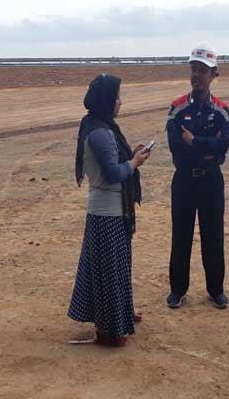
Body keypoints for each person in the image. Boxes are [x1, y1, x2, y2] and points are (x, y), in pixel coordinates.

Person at [69, 73, 150, 347]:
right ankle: (108, 330)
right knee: (109, 271)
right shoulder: (101, 132)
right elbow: (114, 173)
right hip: (107, 212)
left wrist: (131, 156)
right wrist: (135, 162)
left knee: (116, 268)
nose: (120, 103)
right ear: (106, 101)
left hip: (112, 210)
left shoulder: (100, 126)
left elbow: (114, 164)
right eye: (117, 98)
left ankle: (120, 314)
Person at [166, 42, 229, 309]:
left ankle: (216, 289)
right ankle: (177, 289)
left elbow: (224, 146)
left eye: (202, 70)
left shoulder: (222, 109)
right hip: (183, 179)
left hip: (210, 180)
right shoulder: (176, 107)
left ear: (213, 74)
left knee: (213, 236)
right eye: (193, 68)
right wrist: (208, 147)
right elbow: (175, 147)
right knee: (180, 235)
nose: (196, 75)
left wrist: (194, 142)